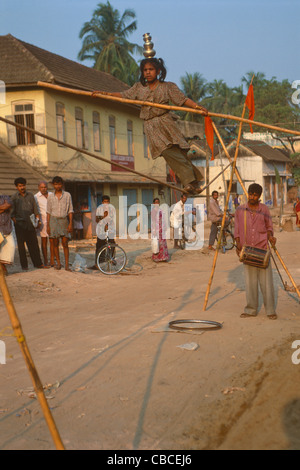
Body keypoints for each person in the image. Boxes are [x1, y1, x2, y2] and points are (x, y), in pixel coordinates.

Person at [92, 56, 208, 195]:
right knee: (167, 151)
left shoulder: (167, 87)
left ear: (158, 71)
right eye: (145, 70)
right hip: (152, 126)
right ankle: (190, 181)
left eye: (151, 69)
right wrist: (105, 94)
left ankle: (193, 183)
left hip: (166, 122)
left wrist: (197, 107)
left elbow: (182, 100)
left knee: (179, 152)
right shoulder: (139, 88)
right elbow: (124, 95)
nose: (147, 72)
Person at [234, 183, 278, 320]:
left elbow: (269, 226)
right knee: (250, 282)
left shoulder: (264, 209)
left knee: (266, 283)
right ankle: (251, 309)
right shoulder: (240, 210)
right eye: (251, 194)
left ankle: (270, 310)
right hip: (247, 250)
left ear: (259, 196)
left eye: (255, 195)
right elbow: (236, 230)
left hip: (262, 248)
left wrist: (271, 236)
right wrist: (237, 245)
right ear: (248, 194)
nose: (252, 197)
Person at [11, 177, 45, 271]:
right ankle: (24, 266)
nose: (22, 187)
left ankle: (38, 264)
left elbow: (35, 210)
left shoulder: (31, 196)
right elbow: (12, 214)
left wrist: (37, 221)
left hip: (30, 224)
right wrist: (16, 222)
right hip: (19, 225)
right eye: (20, 186)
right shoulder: (14, 197)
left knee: (34, 245)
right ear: (16, 187)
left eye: (23, 185)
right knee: (21, 247)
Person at [46, 176, 73, 271]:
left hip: (64, 220)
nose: (58, 186)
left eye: (59, 184)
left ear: (62, 184)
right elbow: (48, 212)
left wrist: (70, 224)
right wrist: (48, 226)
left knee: (65, 243)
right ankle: (58, 263)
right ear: (53, 185)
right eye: (56, 184)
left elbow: (70, 210)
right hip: (53, 220)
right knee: (55, 243)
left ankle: (66, 265)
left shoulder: (67, 195)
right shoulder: (50, 196)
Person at [35, 181, 54, 267]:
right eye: (42, 187)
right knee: (44, 242)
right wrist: (38, 221)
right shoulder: (36, 197)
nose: (43, 189)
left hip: (52, 220)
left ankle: (52, 260)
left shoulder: (51, 195)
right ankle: (45, 260)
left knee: (52, 241)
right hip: (43, 221)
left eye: (45, 187)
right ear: (39, 187)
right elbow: (35, 210)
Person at [95, 195, 116, 265]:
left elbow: (111, 220)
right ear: (102, 202)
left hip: (110, 229)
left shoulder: (112, 209)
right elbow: (96, 219)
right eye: (104, 202)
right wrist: (103, 218)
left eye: (107, 202)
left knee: (112, 244)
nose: (106, 203)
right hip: (101, 230)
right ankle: (98, 263)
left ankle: (111, 259)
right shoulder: (99, 209)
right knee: (99, 246)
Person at [0, 194, 16, 275]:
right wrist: (4, 208)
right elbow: (6, 206)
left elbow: (9, 204)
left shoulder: (4, 197)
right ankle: (3, 269)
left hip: (7, 227)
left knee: (11, 246)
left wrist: (3, 208)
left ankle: (3, 267)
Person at [151, 198, 169, 262]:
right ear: (153, 203)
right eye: (155, 202)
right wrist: (154, 231)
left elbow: (163, 219)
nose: (157, 203)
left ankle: (163, 257)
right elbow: (153, 221)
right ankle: (157, 257)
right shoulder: (153, 211)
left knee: (163, 243)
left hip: (162, 229)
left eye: (158, 202)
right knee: (157, 244)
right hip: (156, 229)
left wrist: (165, 226)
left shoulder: (161, 210)